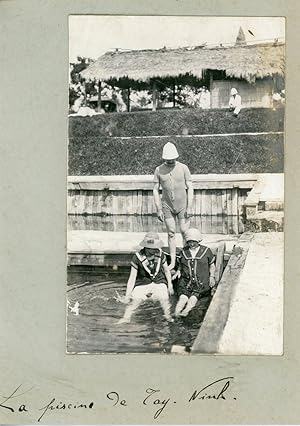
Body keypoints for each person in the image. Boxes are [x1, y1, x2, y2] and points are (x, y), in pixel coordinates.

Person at [153, 142, 194, 271]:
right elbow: (155, 189)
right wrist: (158, 208)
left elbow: (190, 187)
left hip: (182, 205)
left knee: (184, 231)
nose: (170, 162)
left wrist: (190, 206)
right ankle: (172, 262)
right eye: (168, 160)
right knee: (171, 233)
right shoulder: (159, 170)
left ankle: (186, 258)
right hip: (167, 206)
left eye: (172, 160)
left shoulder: (183, 168)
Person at [117, 232, 174, 324]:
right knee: (135, 301)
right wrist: (127, 295)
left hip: (159, 282)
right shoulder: (137, 257)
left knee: (164, 299)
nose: (155, 249)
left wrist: (170, 285)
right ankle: (126, 317)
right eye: (153, 248)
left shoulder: (160, 254)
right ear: (147, 247)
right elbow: (132, 278)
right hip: (142, 283)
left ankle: (167, 315)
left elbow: (167, 271)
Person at [174, 228, 216, 317]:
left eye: (194, 241)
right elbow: (181, 264)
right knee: (182, 298)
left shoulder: (206, 251)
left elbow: (212, 265)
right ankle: (176, 314)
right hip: (186, 282)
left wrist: (212, 277)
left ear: (198, 240)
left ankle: (185, 312)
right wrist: (178, 271)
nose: (192, 244)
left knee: (193, 299)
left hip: (201, 282)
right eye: (189, 242)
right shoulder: (184, 252)